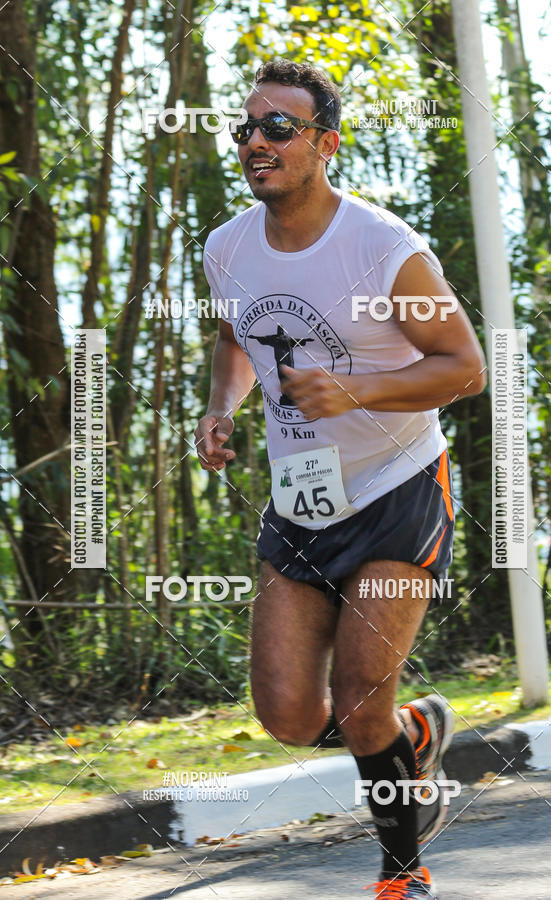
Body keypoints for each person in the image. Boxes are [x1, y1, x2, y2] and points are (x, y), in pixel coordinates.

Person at [195, 58, 486, 899]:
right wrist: (222, 409)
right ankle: (412, 736)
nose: (255, 140)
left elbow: (464, 366)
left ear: (324, 144)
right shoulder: (228, 247)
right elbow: (235, 337)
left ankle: (404, 871)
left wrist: (357, 387)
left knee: (361, 695)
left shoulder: (382, 246)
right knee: (288, 714)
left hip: (397, 481)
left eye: (276, 128)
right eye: (244, 127)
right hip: (304, 495)